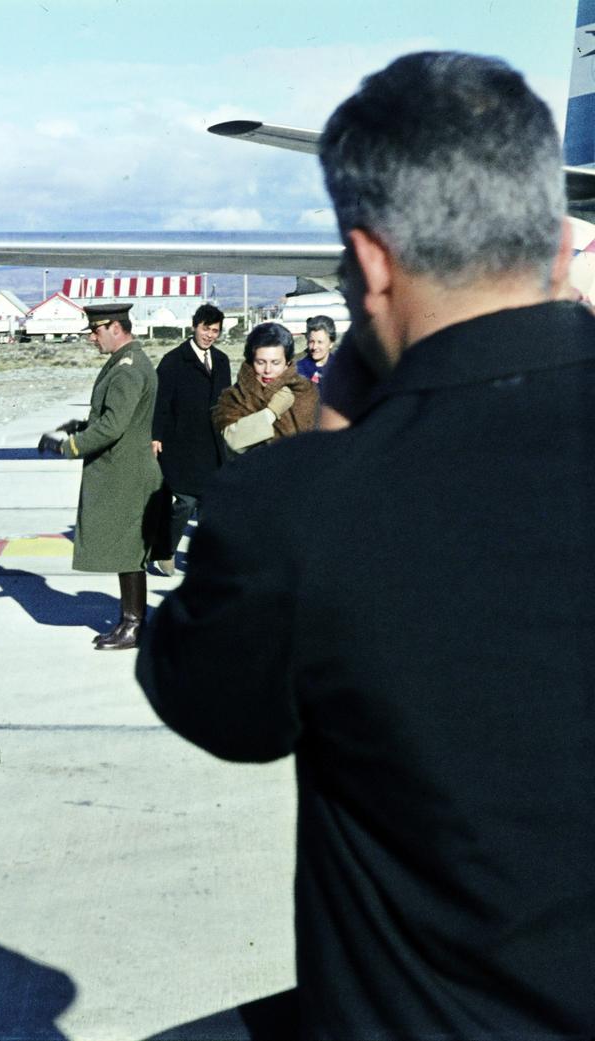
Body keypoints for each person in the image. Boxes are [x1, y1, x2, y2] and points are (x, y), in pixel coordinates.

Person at [138, 51, 595, 1039]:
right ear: (564, 248)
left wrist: (331, 447)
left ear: (370, 264)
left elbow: (215, 710)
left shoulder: (302, 509)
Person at [36, 303, 159, 650]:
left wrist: (68, 446)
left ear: (116, 328)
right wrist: (83, 425)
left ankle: (133, 625)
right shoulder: (128, 362)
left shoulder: (127, 370)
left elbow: (113, 426)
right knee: (128, 549)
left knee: (128, 550)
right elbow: (117, 417)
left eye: (96, 330)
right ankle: (132, 622)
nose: (92, 337)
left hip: (124, 473)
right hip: (125, 469)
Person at [149, 303, 230, 576]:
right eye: (206, 329)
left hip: (212, 446)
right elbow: (160, 403)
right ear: (194, 326)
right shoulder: (173, 361)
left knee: (210, 506)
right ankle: (166, 550)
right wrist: (156, 436)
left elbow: (225, 400)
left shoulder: (222, 361)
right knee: (185, 502)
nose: (209, 335)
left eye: (215, 331)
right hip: (181, 444)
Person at [211, 321, 318, 454]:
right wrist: (271, 412)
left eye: (275, 363)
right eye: (261, 362)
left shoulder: (306, 391)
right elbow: (233, 441)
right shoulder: (234, 397)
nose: (267, 370)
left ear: (287, 363)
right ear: (251, 361)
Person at [296, 314, 336, 383]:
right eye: (311, 341)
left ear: (331, 343)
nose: (314, 347)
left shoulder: (341, 369)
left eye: (320, 342)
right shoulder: (298, 370)